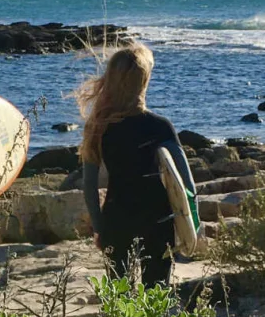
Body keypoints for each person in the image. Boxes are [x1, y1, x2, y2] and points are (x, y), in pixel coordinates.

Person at [79, 42, 196, 289]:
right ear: (144, 82)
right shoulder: (160, 126)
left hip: (116, 219)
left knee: (119, 299)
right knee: (156, 296)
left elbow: (89, 187)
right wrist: (192, 227)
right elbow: (187, 183)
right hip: (158, 220)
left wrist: (100, 229)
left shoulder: (99, 127)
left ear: (110, 79)